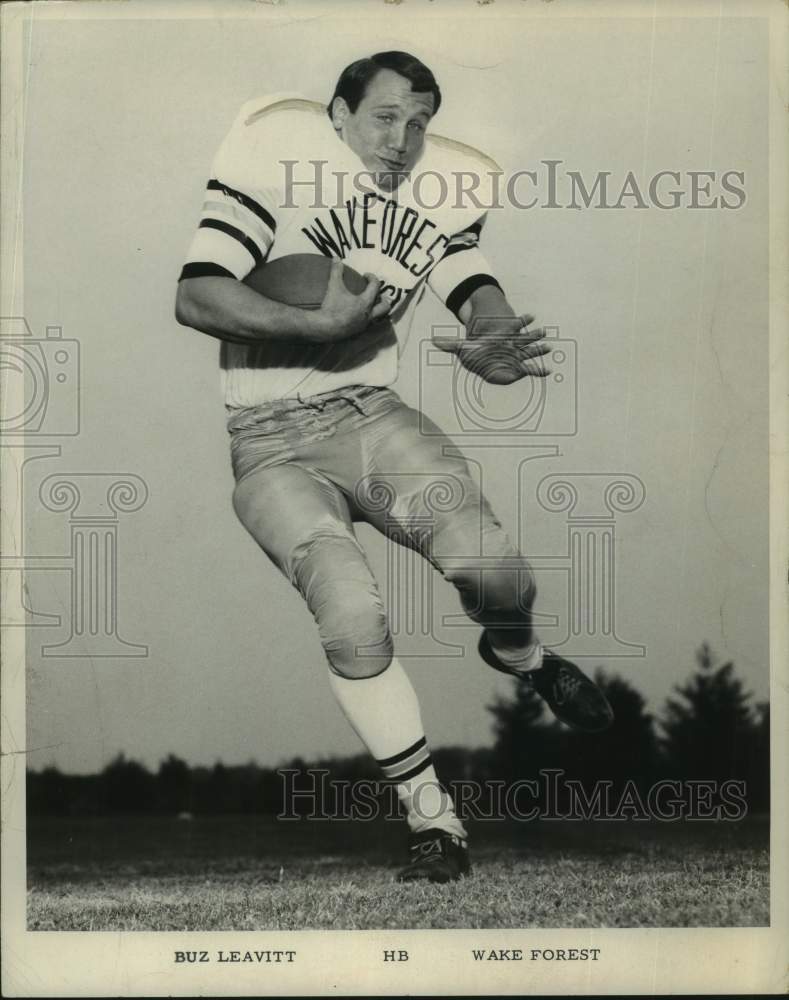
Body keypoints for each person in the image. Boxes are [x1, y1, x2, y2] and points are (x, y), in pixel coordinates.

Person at [175, 50, 613, 883]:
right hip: (268, 438)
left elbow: (465, 273)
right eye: (384, 117)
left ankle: (519, 657)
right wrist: (317, 325)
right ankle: (432, 823)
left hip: (371, 415)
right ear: (335, 116)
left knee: (495, 573)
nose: (404, 139)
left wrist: (493, 338)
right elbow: (194, 293)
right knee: (349, 611)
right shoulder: (277, 168)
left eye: (419, 121)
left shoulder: (434, 185)